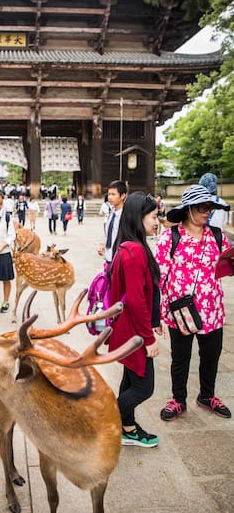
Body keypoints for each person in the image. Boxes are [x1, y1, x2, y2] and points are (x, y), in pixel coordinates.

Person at [155, 184, 232, 421]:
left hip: (212, 311)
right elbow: (158, 277)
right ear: (188, 210)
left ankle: (206, 396)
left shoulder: (218, 236)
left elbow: (228, 265)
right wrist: (156, 314)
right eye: (202, 207)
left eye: (211, 207)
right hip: (181, 311)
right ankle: (178, 399)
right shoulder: (171, 237)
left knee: (211, 355)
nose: (207, 212)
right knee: (181, 358)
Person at [107, 192, 161, 447]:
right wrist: (148, 338)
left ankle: (126, 427)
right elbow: (137, 301)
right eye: (153, 216)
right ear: (138, 218)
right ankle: (113, 420)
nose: (157, 221)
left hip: (129, 329)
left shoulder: (129, 248)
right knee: (143, 387)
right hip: (133, 333)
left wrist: (154, 320)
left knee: (131, 379)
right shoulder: (134, 252)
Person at [98, 180, 127, 263]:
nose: (110, 197)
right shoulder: (111, 214)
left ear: (122, 196)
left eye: (113, 194)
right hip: (108, 258)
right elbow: (111, 235)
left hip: (119, 259)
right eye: (109, 194)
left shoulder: (125, 216)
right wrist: (105, 245)